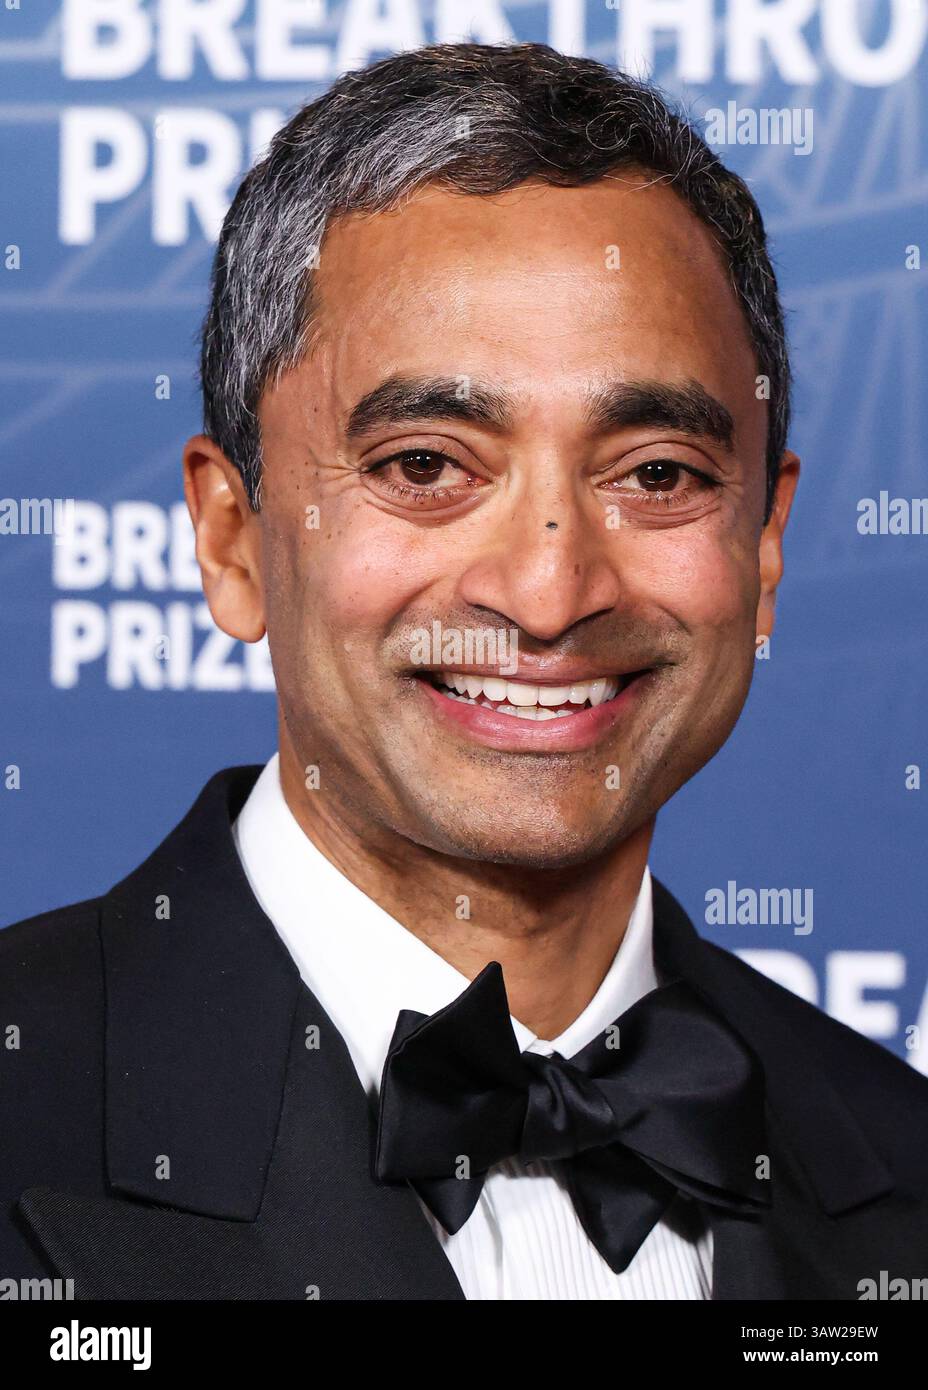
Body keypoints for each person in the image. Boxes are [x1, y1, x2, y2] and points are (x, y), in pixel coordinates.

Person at [2, 42, 926, 1301]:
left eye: (655, 473)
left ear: (762, 548)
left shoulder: (901, 1166)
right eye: (426, 467)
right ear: (231, 538)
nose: (548, 592)